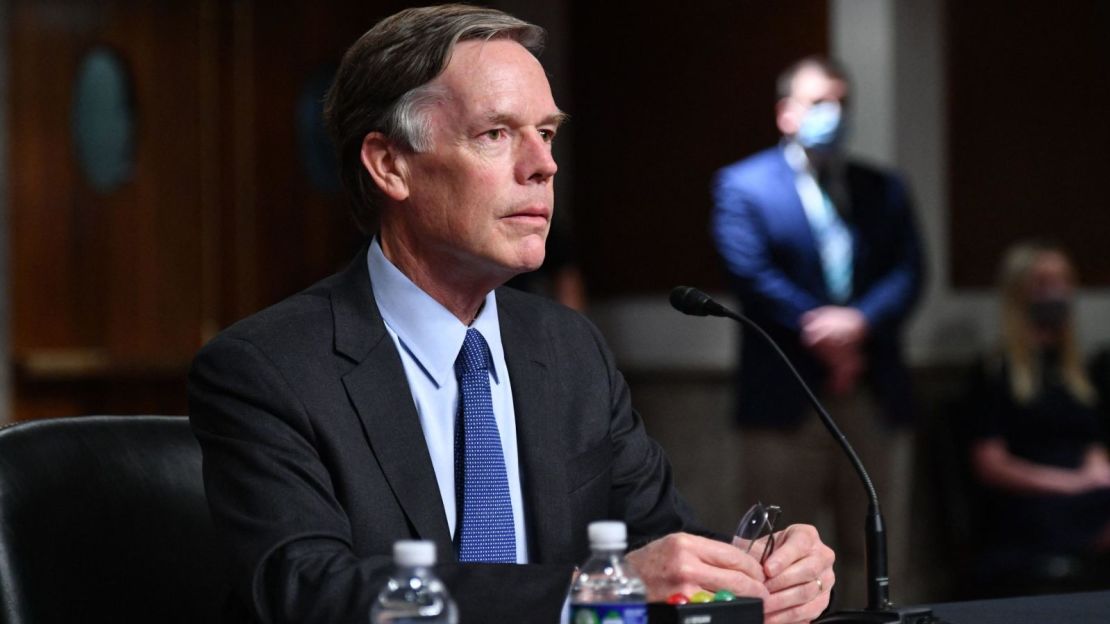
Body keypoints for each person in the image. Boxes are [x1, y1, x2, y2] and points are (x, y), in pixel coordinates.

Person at [188, 6, 834, 624]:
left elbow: (658, 546)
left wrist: (753, 574)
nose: (544, 165)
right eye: (496, 134)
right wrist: (587, 594)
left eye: (547, 133)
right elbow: (309, 593)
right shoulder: (267, 369)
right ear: (390, 165)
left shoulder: (569, 347)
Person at [710, 56, 923, 606]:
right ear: (786, 114)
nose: (832, 113)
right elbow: (751, 274)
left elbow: (909, 272)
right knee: (774, 558)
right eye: (817, 102)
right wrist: (826, 335)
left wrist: (859, 325)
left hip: (871, 393)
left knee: (873, 552)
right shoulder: (744, 185)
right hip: (785, 396)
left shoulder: (882, 188)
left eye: (841, 103)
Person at [965, 242, 1110, 580]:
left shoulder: (1079, 370)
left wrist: (1098, 467)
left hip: (1086, 493)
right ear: (1019, 294)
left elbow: (1092, 441)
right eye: (1044, 284)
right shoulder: (994, 372)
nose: (1057, 294)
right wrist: (1071, 483)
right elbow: (991, 465)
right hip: (1030, 501)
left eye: (1063, 282)